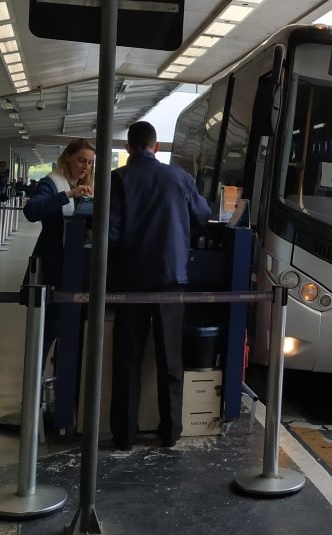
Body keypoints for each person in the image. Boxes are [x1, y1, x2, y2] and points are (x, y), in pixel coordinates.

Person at [108, 121, 211, 450]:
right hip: (170, 279)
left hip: (130, 281)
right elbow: (203, 214)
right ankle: (171, 433)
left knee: (128, 360)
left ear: (128, 148)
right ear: (156, 146)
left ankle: (124, 436)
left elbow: (109, 232)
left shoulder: (119, 178)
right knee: (170, 359)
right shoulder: (179, 177)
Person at [23, 139, 96, 364]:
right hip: (51, 269)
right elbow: (32, 211)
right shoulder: (52, 183)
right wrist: (68, 195)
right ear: (67, 158)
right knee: (45, 334)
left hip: (76, 270)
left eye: (90, 163)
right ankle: (34, 392)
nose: (85, 167)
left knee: (71, 336)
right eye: (81, 160)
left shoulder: (91, 190)